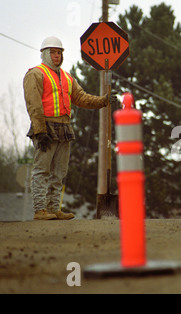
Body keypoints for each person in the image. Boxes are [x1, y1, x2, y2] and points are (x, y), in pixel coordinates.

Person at [23, 36, 118, 220]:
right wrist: (40, 131)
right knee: (42, 170)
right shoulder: (35, 74)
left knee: (59, 173)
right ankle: (40, 210)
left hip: (64, 127)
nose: (57, 55)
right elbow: (33, 104)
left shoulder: (67, 77)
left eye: (59, 52)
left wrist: (104, 101)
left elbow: (82, 98)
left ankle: (53, 209)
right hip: (46, 128)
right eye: (53, 52)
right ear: (44, 54)